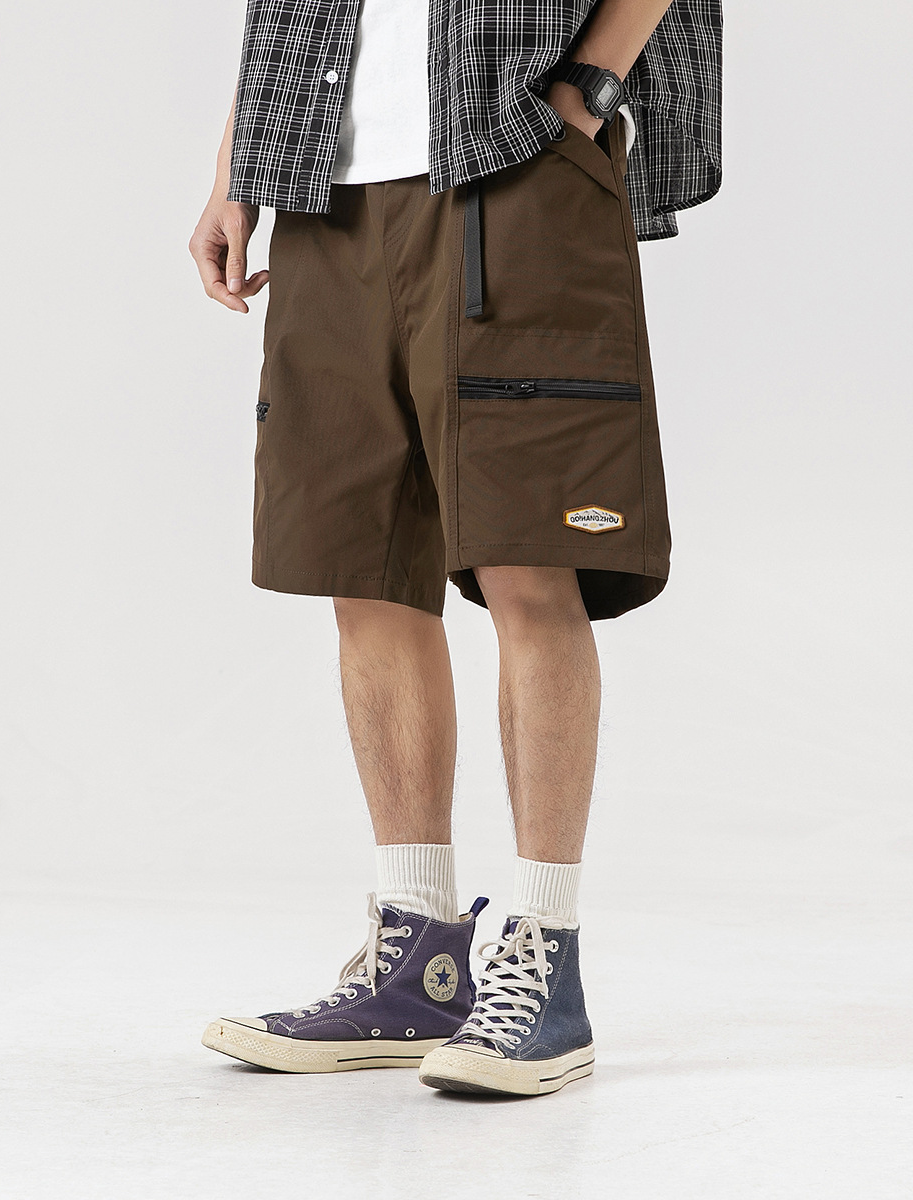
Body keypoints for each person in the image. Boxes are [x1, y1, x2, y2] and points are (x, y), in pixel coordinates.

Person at [190, 0, 722, 1097]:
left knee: (528, 563)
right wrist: (239, 166)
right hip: (325, 186)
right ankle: (418, 962)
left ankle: (547, 963)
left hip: (510, 158)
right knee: (366, 574)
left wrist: (584, 93)